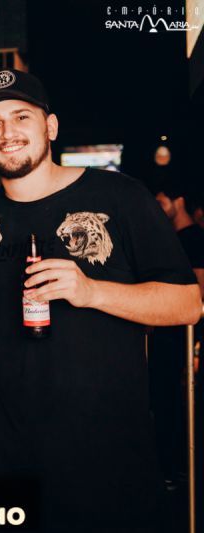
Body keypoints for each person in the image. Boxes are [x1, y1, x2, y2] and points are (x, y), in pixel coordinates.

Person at [0, 69, 201, 531]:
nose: (7, 132)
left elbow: (189, 303)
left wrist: (91, 291)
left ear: (50, 127)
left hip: (106, 460)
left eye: (21, 116)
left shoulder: (119, 196)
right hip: (4, 457)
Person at [150, 183, 204, 489]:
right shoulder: (173, 237)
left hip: (181, 333)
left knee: (172, 400)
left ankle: (177, 469)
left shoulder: (193, 237)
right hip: (167, 332)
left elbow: (198, 294)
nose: (158, 208)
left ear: (179, 201)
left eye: (162, 202)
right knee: (164, 398)